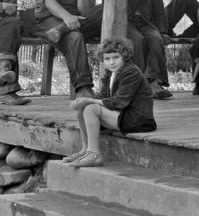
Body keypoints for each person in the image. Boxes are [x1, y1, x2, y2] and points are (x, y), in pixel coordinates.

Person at [63, 37, 156, 168]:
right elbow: (102, 96)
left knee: (91, 108)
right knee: (83, 108)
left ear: (124, 56)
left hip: (137, 120)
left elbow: (120, 102)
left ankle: (94, 155)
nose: (111, 62)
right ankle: (85, 150)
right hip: (121, 116)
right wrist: (83, 101)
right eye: (107, 59)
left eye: (116, 57)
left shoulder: (131, 72)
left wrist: (88, 100)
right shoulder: (110, 73)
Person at [30, 0, 100, 98]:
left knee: (103, 10)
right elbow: (49, 2)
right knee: (75, 36)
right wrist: (67, 17)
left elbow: (87, 11)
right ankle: (83, 88)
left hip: (74, 22)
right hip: (48, 20)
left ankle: (62, 30)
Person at [126, 0, 172, 99]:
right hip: (126, 22)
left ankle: (154, 82)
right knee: (138, 41)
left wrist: (164, 30)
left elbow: (159, 7)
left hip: (146, 22)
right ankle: (142, 83)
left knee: (156, 39)